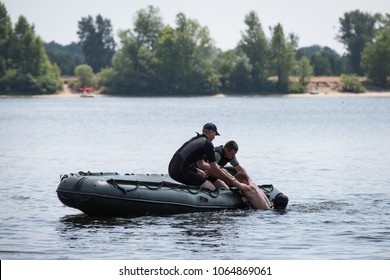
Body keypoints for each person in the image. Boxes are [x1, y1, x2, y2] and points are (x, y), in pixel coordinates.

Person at [168, 123, 249, 191]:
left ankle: (197, 188)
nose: (214, 137)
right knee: (211, 187)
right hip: (181, 171)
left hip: (172, 168)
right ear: (211, 132)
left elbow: (201, 164)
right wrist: (230, 180)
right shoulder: (207, 144)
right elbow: (214, 168)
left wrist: (221, 169)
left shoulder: (196, 139)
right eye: (215, 135)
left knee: (201, 173)